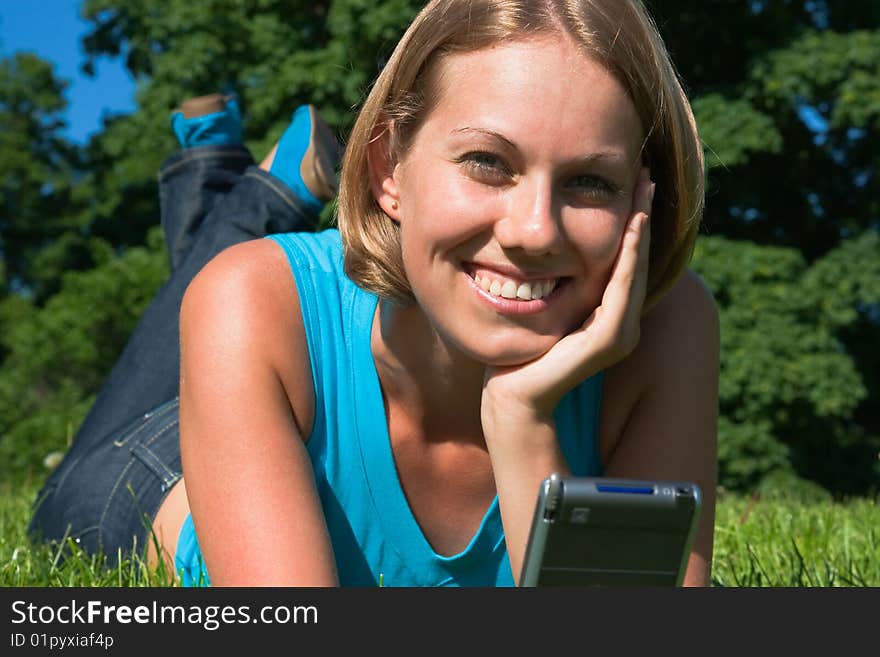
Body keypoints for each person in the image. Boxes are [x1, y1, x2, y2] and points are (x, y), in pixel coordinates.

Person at [31, 0, 719, 587]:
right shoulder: (253, 303)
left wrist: (523, 422)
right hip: (156, 468)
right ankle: (255, 199)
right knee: (216, 300)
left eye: (590, 182)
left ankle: (240, 183)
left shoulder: (671, 329)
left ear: (644, 199)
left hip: (276, 366)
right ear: (388, 168)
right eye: (487, 162)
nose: (535, 230)